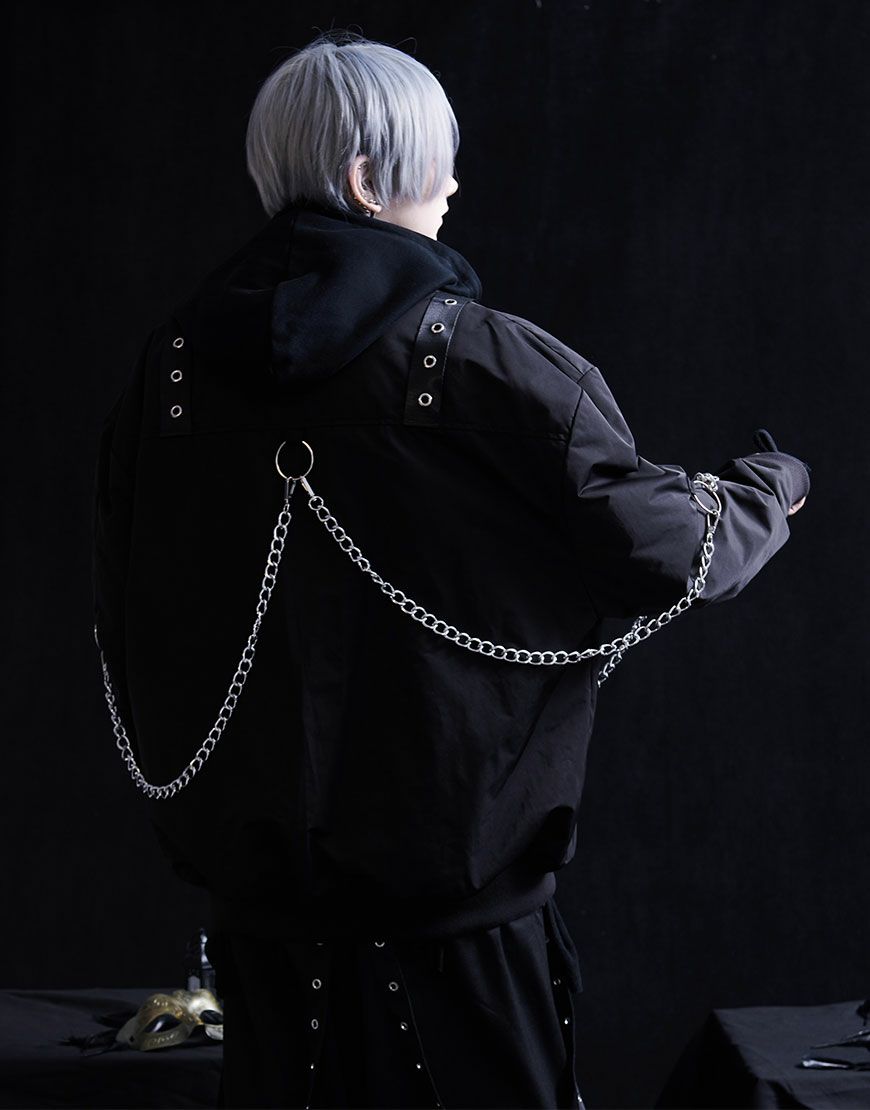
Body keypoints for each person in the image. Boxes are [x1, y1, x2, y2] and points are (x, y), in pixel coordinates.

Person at [91, 29, 810, 1110]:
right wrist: (767, 490)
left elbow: (123, 607)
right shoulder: (483, 361)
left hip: (262, 949)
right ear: (365, 179)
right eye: (440, 162)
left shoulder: (170, 376)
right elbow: (671, 547)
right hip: (465, 959)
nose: (457, 186)